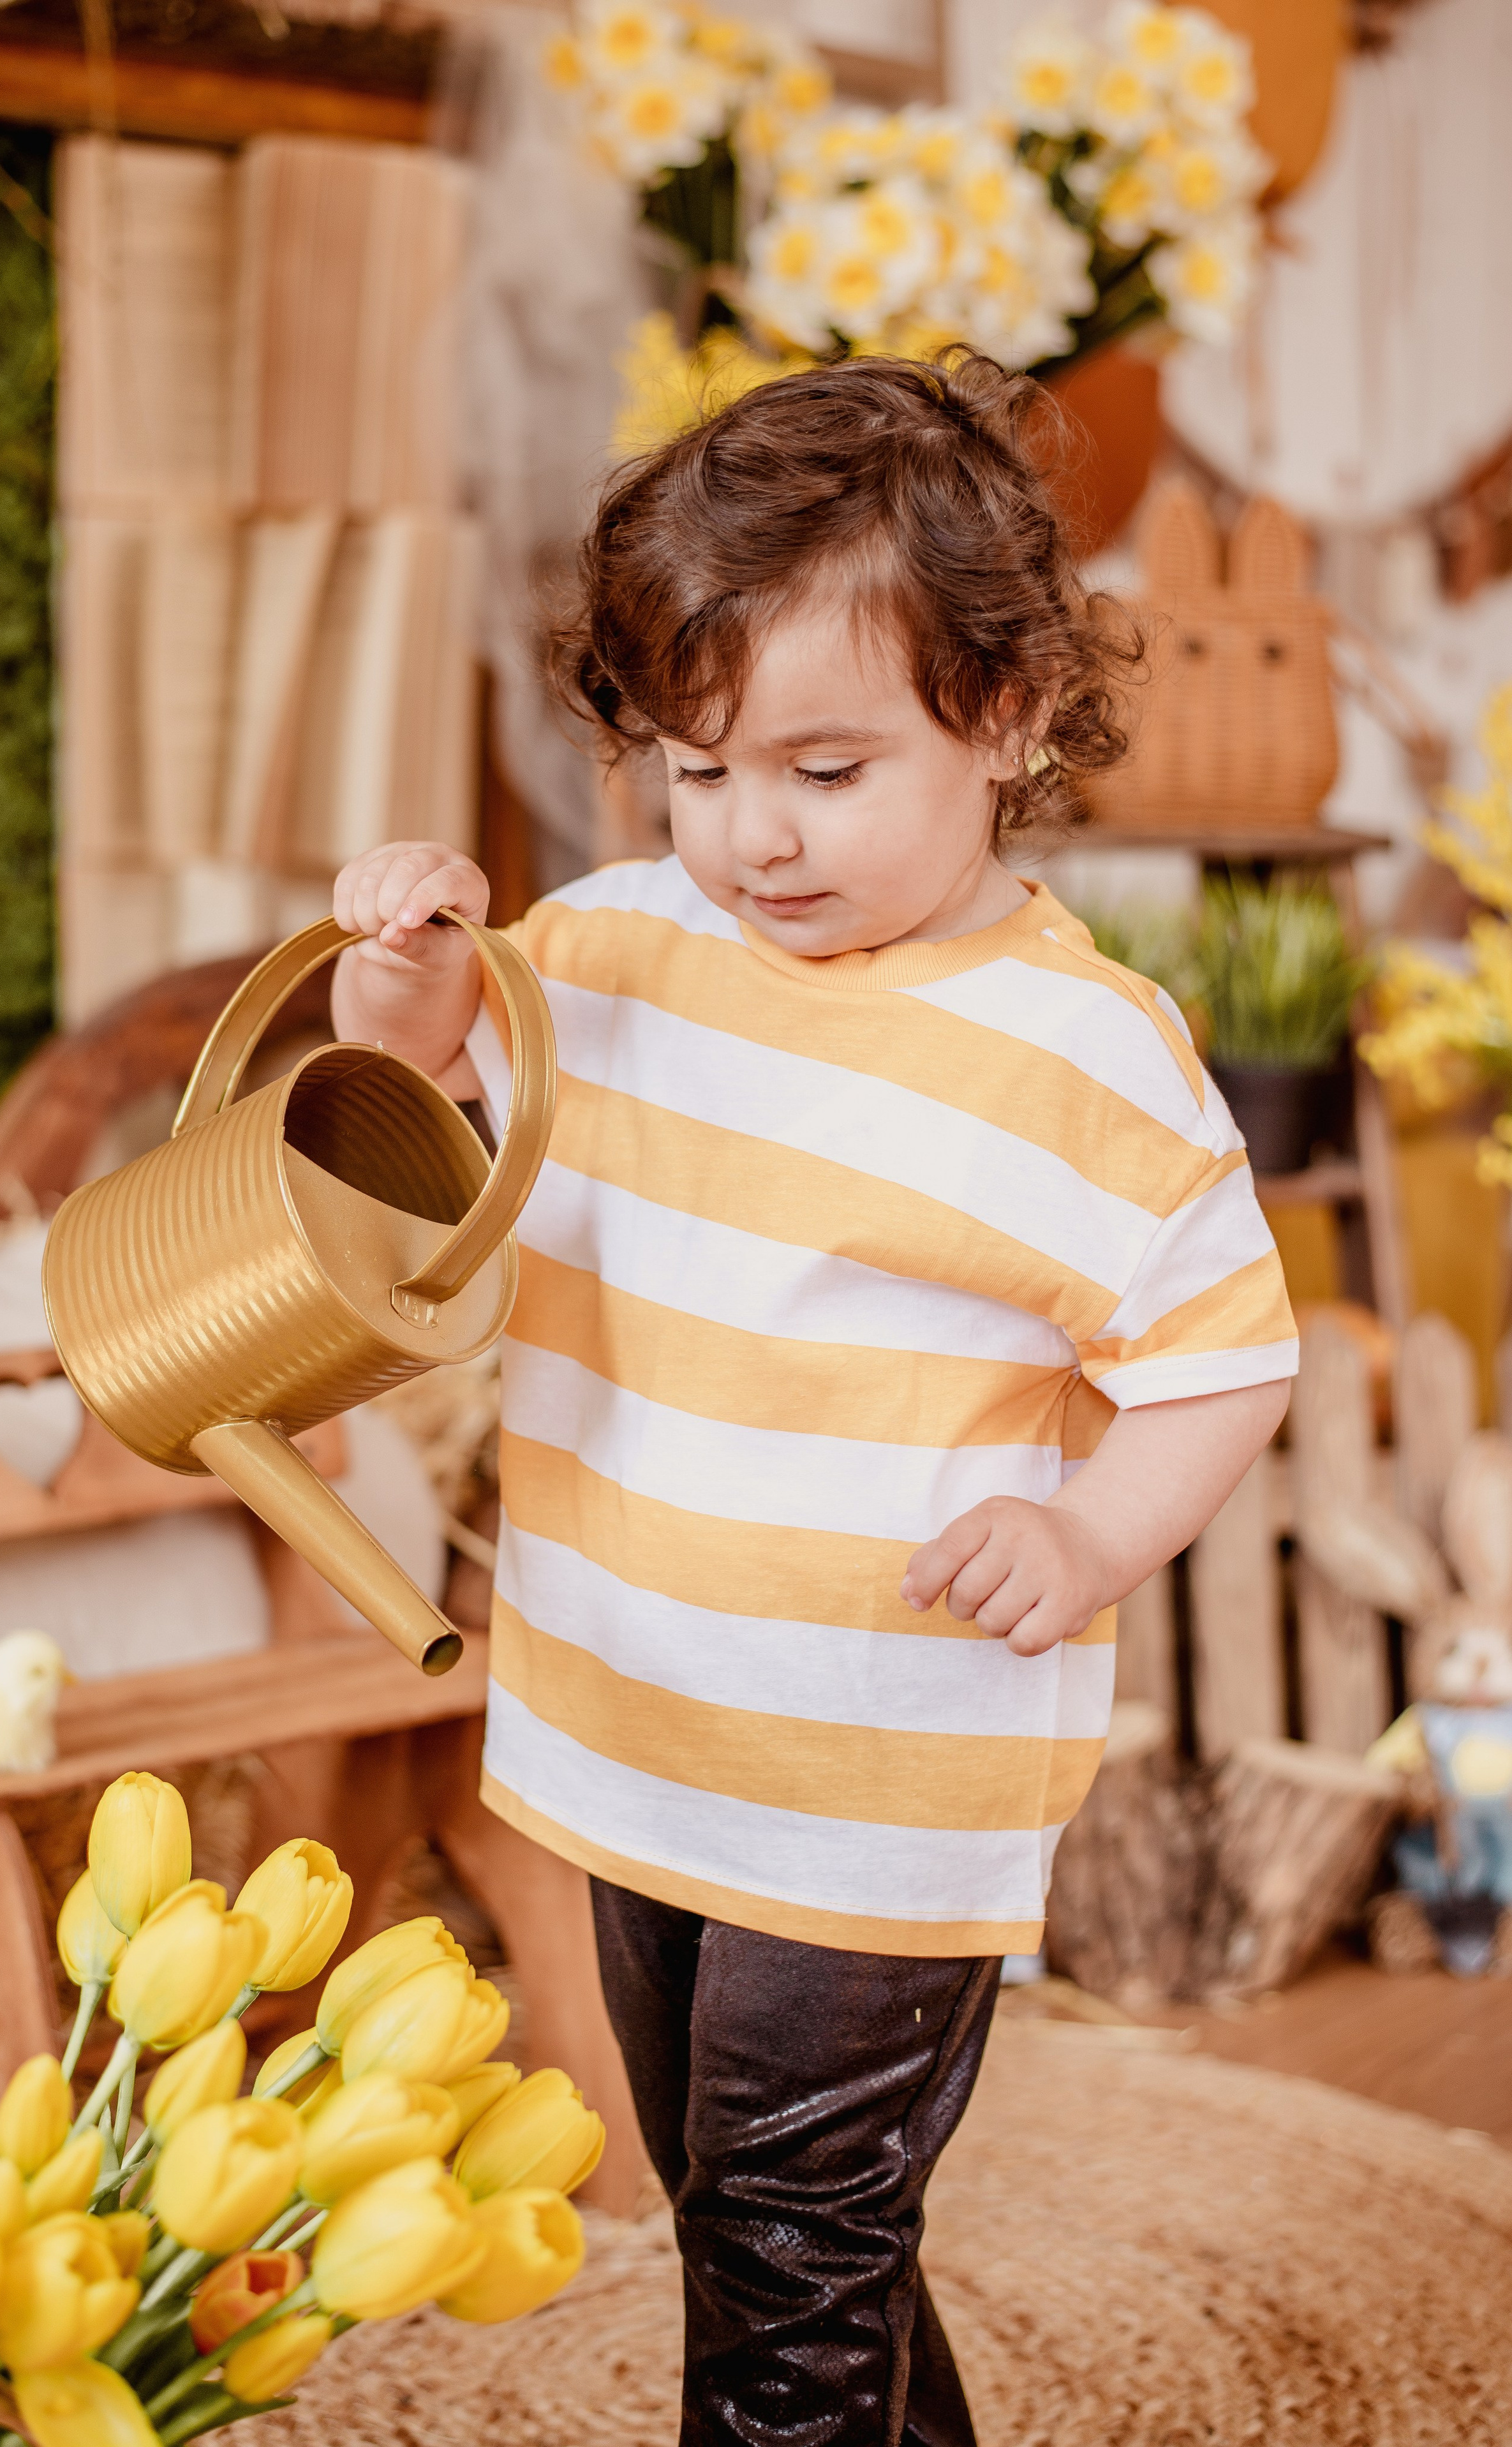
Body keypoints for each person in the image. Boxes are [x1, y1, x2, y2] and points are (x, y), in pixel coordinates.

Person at [329, 352, 1296, 2446]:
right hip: (632, 1710)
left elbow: (1226, 1355)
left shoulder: (1083, 1050)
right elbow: (414, 1137)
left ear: (1011, 717)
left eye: (826, 772)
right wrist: (404, 993)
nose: (750, 835)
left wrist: (1095, 1526)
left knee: (784, 2247)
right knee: (755, 2213)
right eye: (696, 769)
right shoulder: (600, 954)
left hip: (879, 1757)